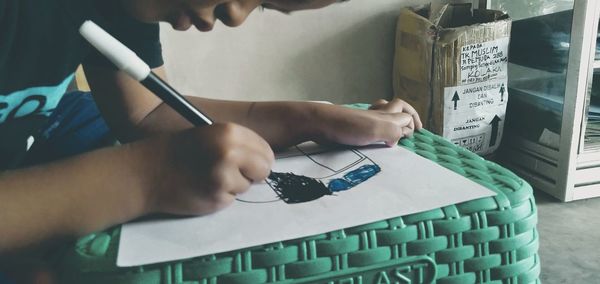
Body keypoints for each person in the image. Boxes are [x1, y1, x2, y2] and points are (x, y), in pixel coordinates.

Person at [0, 0, 422, 257]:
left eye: (263, 5)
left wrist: (313, 118)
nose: (235, 16)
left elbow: (146, 114)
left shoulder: (116, 4)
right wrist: (147, 179)